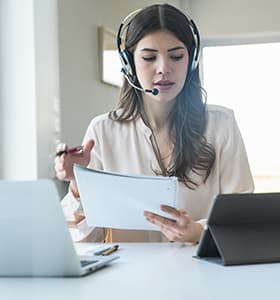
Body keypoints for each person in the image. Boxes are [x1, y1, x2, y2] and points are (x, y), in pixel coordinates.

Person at [54, 3, 254, 244]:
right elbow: (84, 240)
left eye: (176, 56)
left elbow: (242, 220)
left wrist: (197, 233)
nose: (163, 69)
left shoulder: (222, 125)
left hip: (202, 275)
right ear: (129, 64)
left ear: (192, 61)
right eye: (149, 57)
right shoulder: (102, 131)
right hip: (128, 279)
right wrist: (78, 182)